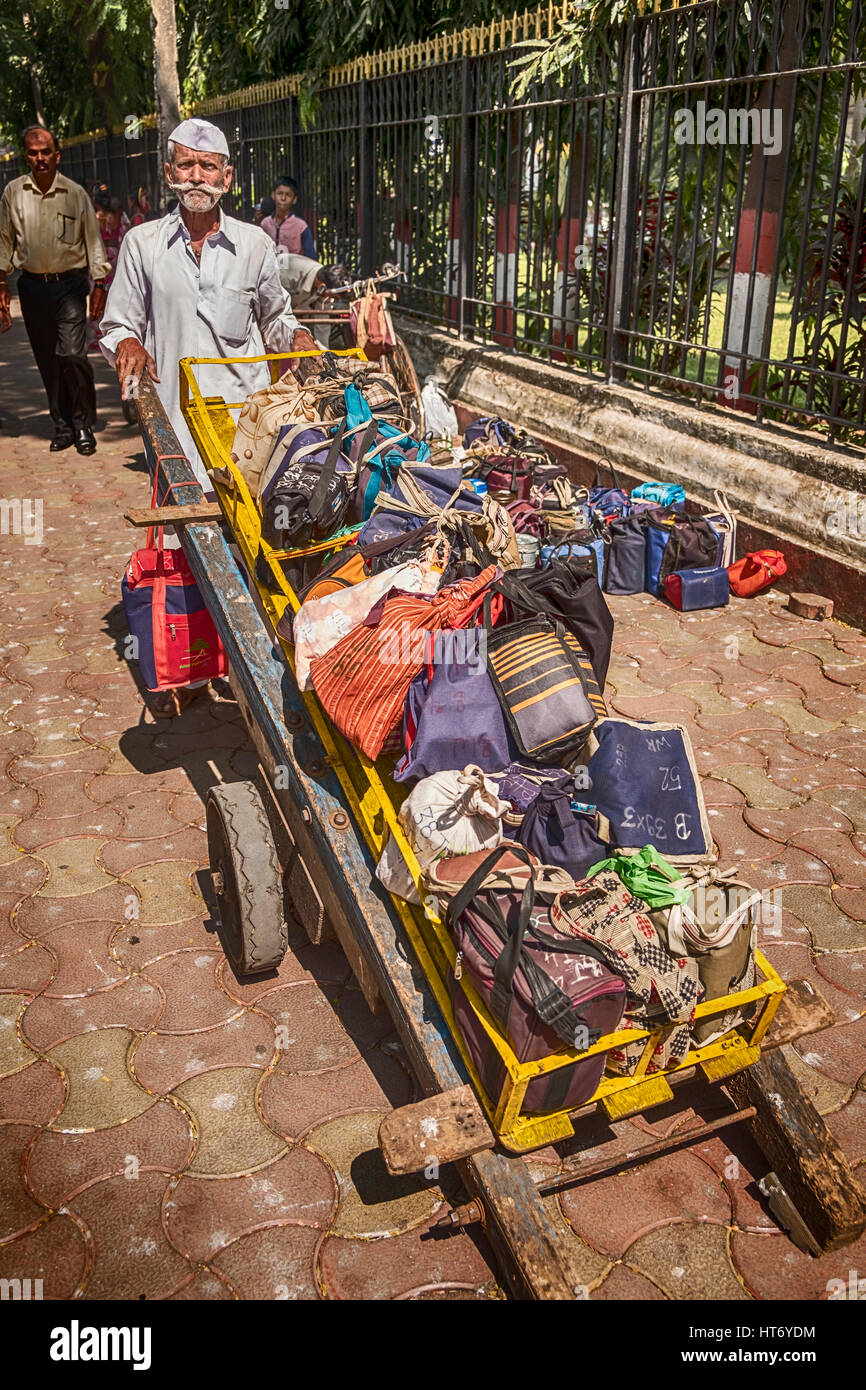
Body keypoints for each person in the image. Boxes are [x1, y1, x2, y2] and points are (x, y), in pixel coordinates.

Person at [99, 116, 318, 714]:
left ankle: (256, 658)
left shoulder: (255, 245)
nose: (197, 176)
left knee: (252, 535)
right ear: (169, 173)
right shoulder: (143, 245)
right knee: (186, 540)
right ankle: (191, 660)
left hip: (247, 427)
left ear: (227, 176)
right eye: (186, 165)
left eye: (208, 166)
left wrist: (294, 338)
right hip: (173, 420)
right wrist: (126, 344)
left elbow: (276, 319)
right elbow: (116, 321)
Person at [0, 125, 111, 455]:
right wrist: (2, 284)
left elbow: (93, 239)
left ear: (56, 155)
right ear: (26, 157)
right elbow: (4, 240)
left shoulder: (75, 194)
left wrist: (101, 284)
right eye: (33, 153)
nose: (39, 158)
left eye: (45, 152)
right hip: (32, 287)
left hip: (70, 287)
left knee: (72, 355)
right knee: (49, 360)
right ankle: (62, 426)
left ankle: (83, 424)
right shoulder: (13, 193)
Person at [260, 176, 316, 258]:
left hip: (294, 269)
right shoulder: (265, 224)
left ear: (294, 199)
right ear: (273, 195)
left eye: (288, 195)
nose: (283, 198)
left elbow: (311, 257)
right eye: (280, 193)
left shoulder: (301, 227)